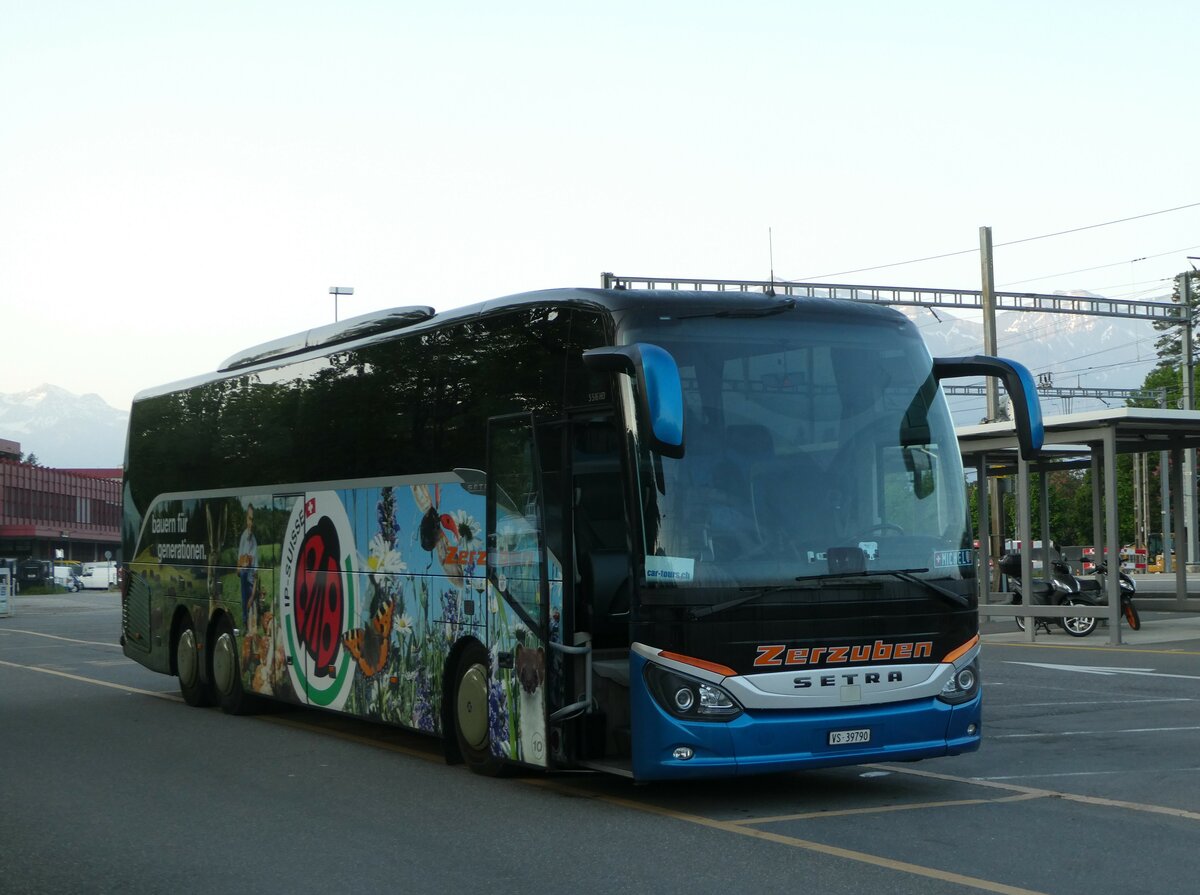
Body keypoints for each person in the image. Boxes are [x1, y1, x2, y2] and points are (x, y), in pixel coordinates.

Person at [237, 504, 258, 624]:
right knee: (244, 573)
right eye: (250, 519)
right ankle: (245, 618)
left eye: (253, 519)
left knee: (246, 574)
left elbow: (256, 574)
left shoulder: (254, 543)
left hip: (251, 586)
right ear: (246, 519)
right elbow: (238, 568)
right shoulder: (243, 537)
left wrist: (252, 596)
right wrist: (241, 567)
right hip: (244, 581)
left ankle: (249, 610)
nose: (251, 523)